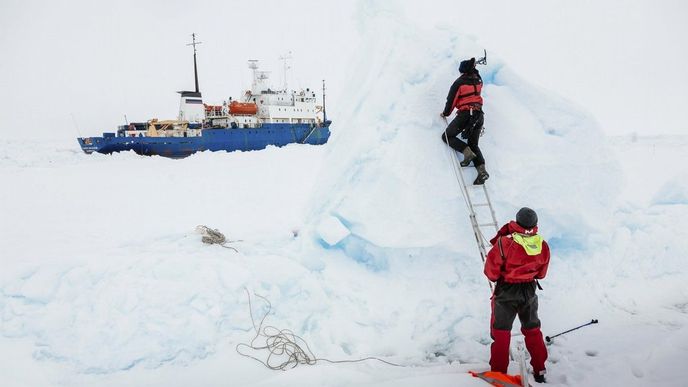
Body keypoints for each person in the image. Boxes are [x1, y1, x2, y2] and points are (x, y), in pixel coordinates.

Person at [484, 207, 550, 383]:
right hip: (529, 290)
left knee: (501, 332)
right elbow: (541, 274)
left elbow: (491, 272)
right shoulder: (542, 245)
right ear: (535, 225)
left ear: (517, 222)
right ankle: (540, 369)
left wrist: (503, 279)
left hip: (507, 291)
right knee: (533, 329)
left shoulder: (505, 243)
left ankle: (498, 374)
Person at [440, 57, 489, 185]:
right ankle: (482, 171)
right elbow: (476, 76)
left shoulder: (459, 83)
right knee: (474, 144)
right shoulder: (478, 80)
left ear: (462, 71)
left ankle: (467, 153)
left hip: (466, 115)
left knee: (447, 136)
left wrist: (446, 113)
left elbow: (451, 101)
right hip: (479, 116)